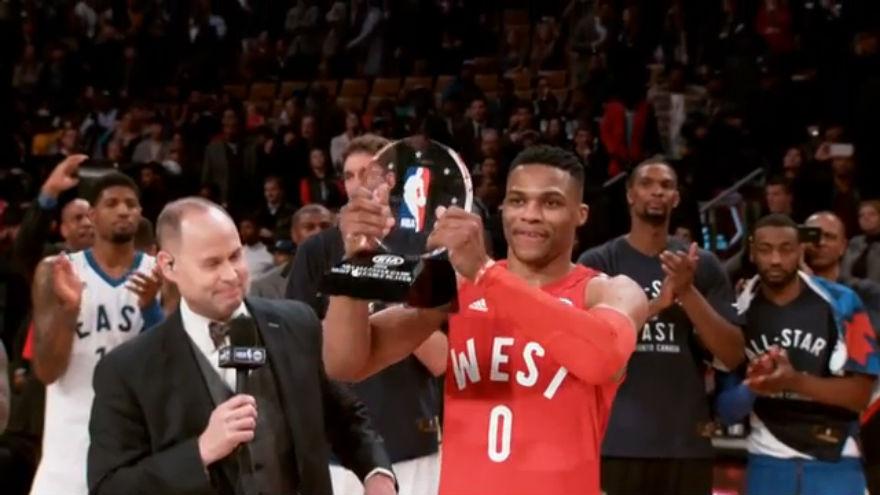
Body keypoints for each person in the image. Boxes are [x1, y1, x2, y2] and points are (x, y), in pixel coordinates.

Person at [322, 145, 649, 494]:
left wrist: (485, 273)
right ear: (503, 207)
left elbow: (601, 357)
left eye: (551, 203)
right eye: (518, 201)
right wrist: (354, 263)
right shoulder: (457, 288)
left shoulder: (610, 291)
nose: (530, 214)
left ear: (580, 214)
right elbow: (346, 363)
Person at [87, 197, 396, 495]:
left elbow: (345, 418)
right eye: (212, 264)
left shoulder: (297, 324)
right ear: (168, 266)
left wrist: (377, 474)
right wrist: (199, 452)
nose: (231, 275)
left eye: (235, 256)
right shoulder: (126, 369)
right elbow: (109, 486)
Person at [287, 134, 446, 495]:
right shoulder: (316, 250)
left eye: (367, 174)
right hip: (339, 446)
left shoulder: (429, 247)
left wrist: (381, 301)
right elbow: (298, 348)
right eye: (349, 176)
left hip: (411, 436)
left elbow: (444, 359)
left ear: (393, 180)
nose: (357, 185)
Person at [578, 160, 744, 495]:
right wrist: (656, 305)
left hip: (686, 443)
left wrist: (687, 291)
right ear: (630, 194)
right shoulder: (598, 262)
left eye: (666, 186)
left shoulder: (702, 265)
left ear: (676, 198)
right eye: (647, 184)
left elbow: (732, 355)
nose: (657, 191)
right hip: (616, 441)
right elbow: (588, 352)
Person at [720, 214, 879, 495]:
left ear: (800, 250)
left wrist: (793, 381)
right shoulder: (739, 309)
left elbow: (860, 396)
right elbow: (726, 411)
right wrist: (753, 387)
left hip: (836, 459)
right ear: (753, 252)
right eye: (766, 250)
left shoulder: (843, 301)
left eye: (786, 249)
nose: (776, 260)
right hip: (766, 460)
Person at [29, 172, 163, 495]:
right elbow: (46, 371)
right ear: (92, 214)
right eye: (112, 203)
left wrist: (151, 310)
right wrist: (69, 310)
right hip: (69, 444)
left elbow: (171, 369)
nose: (123, 210)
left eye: (130, 204)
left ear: (140, 212)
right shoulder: (57, 271)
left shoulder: (161, 274)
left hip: (133, 441)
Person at [801, 211, 880, 494]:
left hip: (864, 421)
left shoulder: (866, 293)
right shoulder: (778, 292)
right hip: (797, 419)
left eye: (829, 236)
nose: (820, 242)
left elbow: (866, 340)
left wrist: (814, 287)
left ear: (844, 246)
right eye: (813, 236)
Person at [250, 204, 333, 299]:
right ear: (294, 235)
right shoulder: (262, 287)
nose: (318, 232)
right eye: (309, 227)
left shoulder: (347, 275)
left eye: (325, 226)